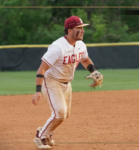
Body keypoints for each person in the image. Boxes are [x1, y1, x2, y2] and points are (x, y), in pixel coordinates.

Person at [32, 15, 102, 149]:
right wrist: (37, 91)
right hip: (52, 81)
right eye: (79, 28)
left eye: (83, 28)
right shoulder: (57, 47)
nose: (82, 30)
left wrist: (94, 71)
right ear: (69, 30)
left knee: (65, 115)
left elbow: (85, 60)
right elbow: (42, 68)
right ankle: (40, 137)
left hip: (67, 83)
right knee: (60, 113)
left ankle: (46, 132)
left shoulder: (81, 45)